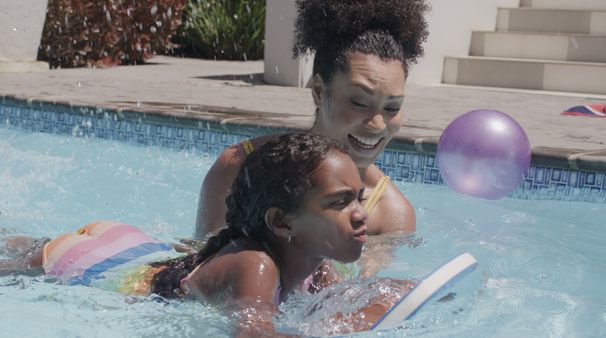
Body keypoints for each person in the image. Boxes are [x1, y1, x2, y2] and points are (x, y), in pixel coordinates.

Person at [0, 133, 405, 335]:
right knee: (15, 263)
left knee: (24, 240)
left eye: (359, 198)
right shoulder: (256, 265)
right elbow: (253, 332)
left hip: (140, 247)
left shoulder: (319, 265)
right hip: (100, 268)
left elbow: (354, 299)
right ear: (282, 223)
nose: (359, 215)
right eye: (339, 202)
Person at [196, 0, 430, 239]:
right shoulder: (238, 167)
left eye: (392, 107)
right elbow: (199, 264)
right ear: (319, 90)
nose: (378, 124)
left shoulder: (391, 214)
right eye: (359, 102)